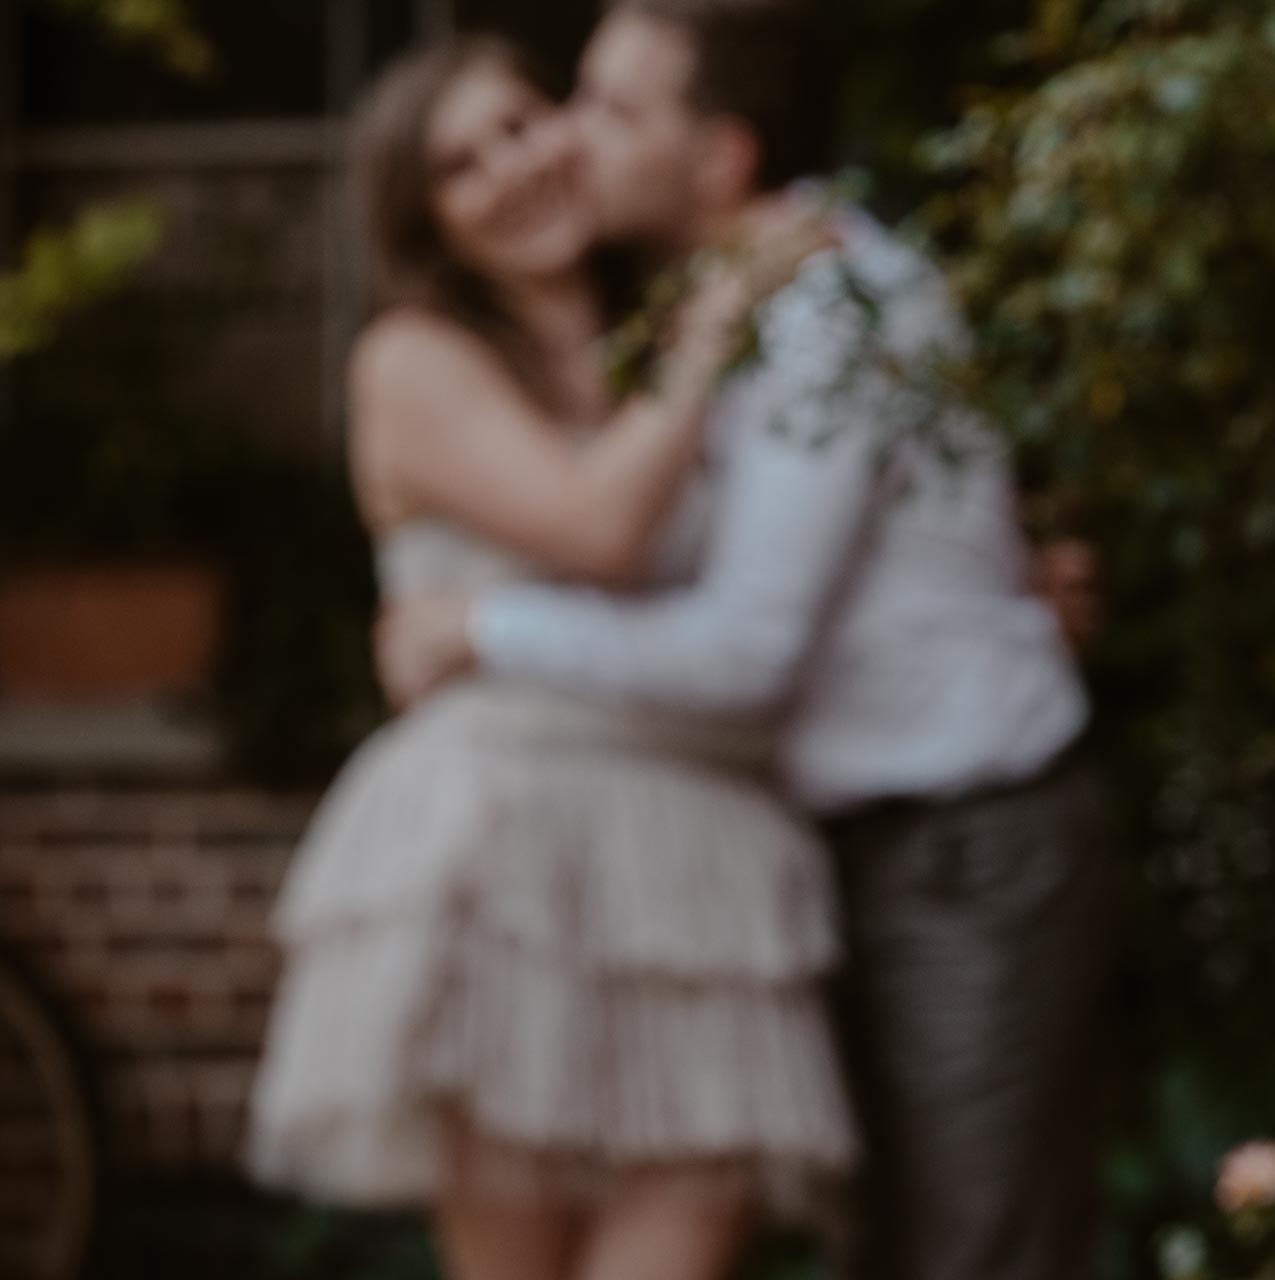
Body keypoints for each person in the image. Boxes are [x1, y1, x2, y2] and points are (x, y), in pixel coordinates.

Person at [378, 4, 1118, 1278]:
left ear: (718, 157)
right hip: (848, 851)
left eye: (608, 110)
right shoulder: (705, 313)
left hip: (961, 844)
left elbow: (743, 648)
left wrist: (476, 629)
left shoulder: (819, 299)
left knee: (973, 1254)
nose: (563, 141)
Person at [245, 35, 857, 1280]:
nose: (511, 170)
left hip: (701, 854)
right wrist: (708, 333)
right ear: (429, 220)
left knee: (683, 1229)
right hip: (501, 840)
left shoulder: (670, 302)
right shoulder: (412, 357)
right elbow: (595, 528)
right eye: (462, 166)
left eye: (521, 125)